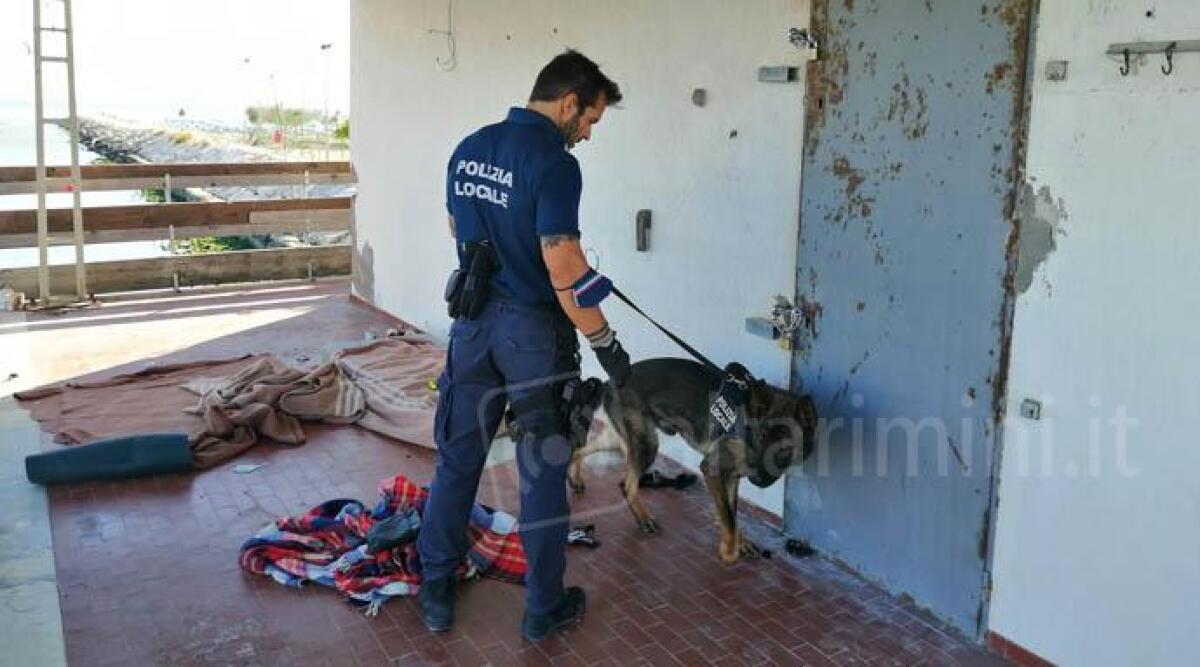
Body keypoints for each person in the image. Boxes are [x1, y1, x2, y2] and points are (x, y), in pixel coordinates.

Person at [415, 50, 631, 642]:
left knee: (458, 459)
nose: (587, 134)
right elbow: (563, 265)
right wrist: (605, 342)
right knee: (541, 473)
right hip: (534, 337)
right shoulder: (555, 164)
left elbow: (457, 227)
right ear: (569, 103)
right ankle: (543, 607)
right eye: (590, 120)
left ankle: (435, 587)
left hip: (472, 327)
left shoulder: (469, 147)